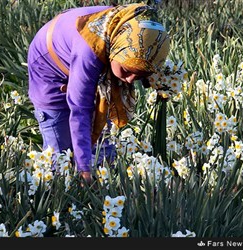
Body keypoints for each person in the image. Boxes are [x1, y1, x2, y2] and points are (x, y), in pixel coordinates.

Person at [27, 2, 170, 184]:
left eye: (140, 75)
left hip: (86, 53)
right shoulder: (90, 52)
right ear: (116, 52)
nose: (129, 80)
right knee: (60, 154)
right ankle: (59, 197)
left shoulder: (137, 38)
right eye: (127, 70)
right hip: (48, 72)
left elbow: (142, 62)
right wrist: (84, 168)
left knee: (104, 153)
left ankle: (102, 189)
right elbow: (80, 111)